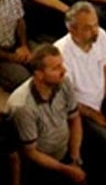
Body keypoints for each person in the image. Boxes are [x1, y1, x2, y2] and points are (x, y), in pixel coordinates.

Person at [6, 44, 88, 184]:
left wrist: (74, 157)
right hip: (43, 164)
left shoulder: (64, 82)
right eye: (56, 68)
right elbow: (31, 152)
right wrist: (65, 169)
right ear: (39, 74)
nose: (63, 71)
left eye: (62, 65)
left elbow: (75, 119)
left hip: (67, 149)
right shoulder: (23, 106)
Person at [54, 2, 106, 164]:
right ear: (72, 30)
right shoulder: (61, 53)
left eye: (96, 25)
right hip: (81, 112)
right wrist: (94, 115)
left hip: (103, 100)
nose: (95, 31)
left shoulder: (100, 35)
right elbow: (67, 98)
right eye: (88, 28)